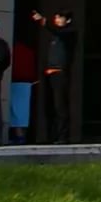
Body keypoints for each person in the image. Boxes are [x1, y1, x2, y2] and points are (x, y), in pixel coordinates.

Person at [32, 10, 74, 144]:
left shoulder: (70, 33)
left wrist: (44, 22)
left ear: (68, 20)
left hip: (60, 73)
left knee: (60, 105)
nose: (57, 19)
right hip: (49, 73)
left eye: (60, 17)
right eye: (56, 17)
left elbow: (59, 32)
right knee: (49, 106)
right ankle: (51, 135)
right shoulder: (54, 37)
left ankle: (63, 136)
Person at [8, 20, 40, 145]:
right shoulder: (29, 52)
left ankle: (19, 135)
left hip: (15, 81)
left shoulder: (13, 51)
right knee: (23, 109)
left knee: (15, 109)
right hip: (27, 82)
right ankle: (23, 135)